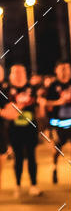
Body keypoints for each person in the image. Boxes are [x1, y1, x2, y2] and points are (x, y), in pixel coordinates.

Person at [0, 63, 42, 197]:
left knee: (31, 156)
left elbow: (39, 110)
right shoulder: (5, 89)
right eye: (15, 72)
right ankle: (17, 185)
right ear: (10, 74)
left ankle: (33, 185)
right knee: (17, 157)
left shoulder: (32, 89)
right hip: (14, 129)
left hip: (30, 128)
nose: (18, 75)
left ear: (25, 74)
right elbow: (7, 110)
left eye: (21, 72)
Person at [45, 60, 71, 183]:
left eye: (66, 69)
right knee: (57, 148)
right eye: (61, 69)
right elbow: (46, 103)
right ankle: (54, 167)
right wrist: (58, 102)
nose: (64, 72)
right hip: (58, 123)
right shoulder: (52, 86)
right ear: (56, 71)